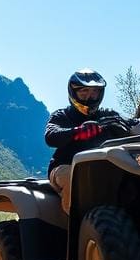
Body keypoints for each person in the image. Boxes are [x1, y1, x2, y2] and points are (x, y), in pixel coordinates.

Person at [45, 69, 134, 213]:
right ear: (74, 93)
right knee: (73, 178)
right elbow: (51, 135)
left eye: (94, 92)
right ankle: (80, 228)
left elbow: (135, 123)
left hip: (104, 167)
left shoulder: (108, 115)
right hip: (66, 166)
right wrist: (78, 132)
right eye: (84, 92)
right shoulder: (62, 115)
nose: (89, 97)